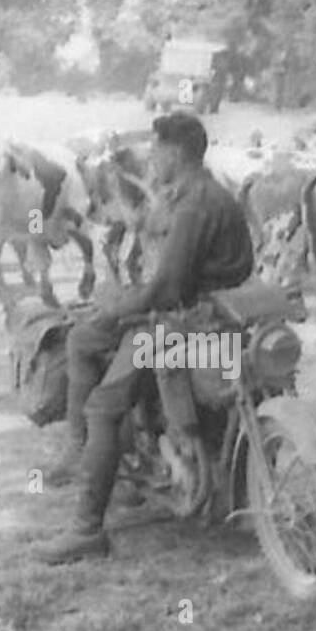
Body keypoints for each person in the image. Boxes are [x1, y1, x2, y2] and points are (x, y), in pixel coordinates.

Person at [35, 111, 254, 564]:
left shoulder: (193, 204)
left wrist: (117, 307)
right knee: (87, 341)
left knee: (103, 406)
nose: (152, 159)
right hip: (222, 321)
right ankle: (101, 456)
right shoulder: (215, 195)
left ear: (175, 153)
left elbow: (166, 288)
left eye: (156, 151)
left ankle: (87, 528)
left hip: (184, 330)